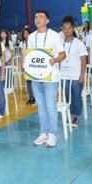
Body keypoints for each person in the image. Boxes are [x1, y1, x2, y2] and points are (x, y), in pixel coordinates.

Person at [29, 10, 65, 148]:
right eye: (36, 17)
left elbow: (63, 54)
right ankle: (43, 132)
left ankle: (52, 134)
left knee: (50, 106)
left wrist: (54, 60)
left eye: (41, 17)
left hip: (51, 77)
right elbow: (30, 55)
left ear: (47, 21)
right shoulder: (31, 37)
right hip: (36, 77)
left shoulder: (54, 36)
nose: (37, 19)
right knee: (41, 106)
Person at [61, 16, 87, 128]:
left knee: (76, 96)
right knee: (67, 96)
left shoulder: (78, 43)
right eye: (65, 28)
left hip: (76, 76)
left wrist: (82, 74)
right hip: (64, 76)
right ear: (62, 29)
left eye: (69, 28)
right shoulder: (59, 43)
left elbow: (83, 59)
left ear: (73, 29)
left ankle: (76, 116)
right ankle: (70, 115)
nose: (67, 30)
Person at [20, 27, 35, 105]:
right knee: (28, 82)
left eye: (27, 33)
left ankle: (36, 97)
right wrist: (21, 65)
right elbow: (21, 55)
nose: (26, 34)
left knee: (34, 82)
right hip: (25, 65)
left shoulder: (33, 42)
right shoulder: (22, 43)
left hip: (32, 65)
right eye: (24, 33)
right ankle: (31, 97)